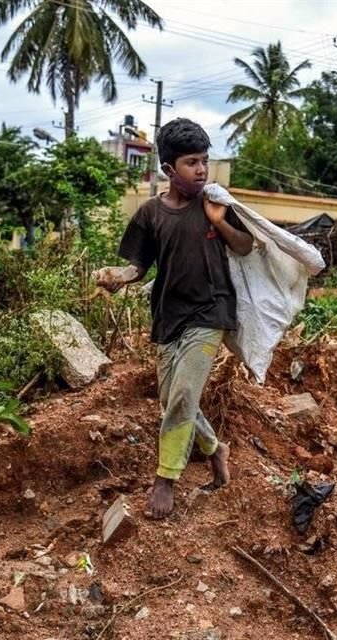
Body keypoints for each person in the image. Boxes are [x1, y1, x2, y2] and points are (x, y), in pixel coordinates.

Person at [93, 118, 253, 519]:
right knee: (172, 399)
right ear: (168, 169)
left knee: (182, 396)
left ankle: (166, 479)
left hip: (211, 312)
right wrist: (118, 278)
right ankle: (216, 450)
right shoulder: (150, 214)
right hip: (168, 317)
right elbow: (138, 266)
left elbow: (247, 246)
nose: (201, 170)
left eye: (204, 161)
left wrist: (219, 222)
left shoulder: (215, 203)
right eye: (191, 163)